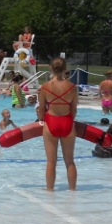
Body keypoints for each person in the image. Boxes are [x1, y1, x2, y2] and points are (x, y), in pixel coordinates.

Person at [37, 57, 78, 191]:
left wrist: (41, 119)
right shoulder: (72, 87)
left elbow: (41, 109)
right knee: (70, 161)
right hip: (67, 122)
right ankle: (72, 191)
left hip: (51, 122)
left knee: (51, 161)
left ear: (51, 68)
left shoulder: (45, 87)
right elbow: (74, 110)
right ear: (65, 69)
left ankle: (50, 190)